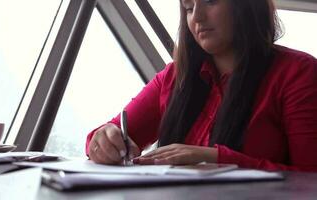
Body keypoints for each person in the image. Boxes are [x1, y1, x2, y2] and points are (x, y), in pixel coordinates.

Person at [86, 0, 317, 171]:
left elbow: (311, 178)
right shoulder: (175, 76)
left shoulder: (298, 73)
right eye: (188, 8)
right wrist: (103, 140)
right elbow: (104, 136)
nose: (196, 18)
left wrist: (217, 159)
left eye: (210, 1)